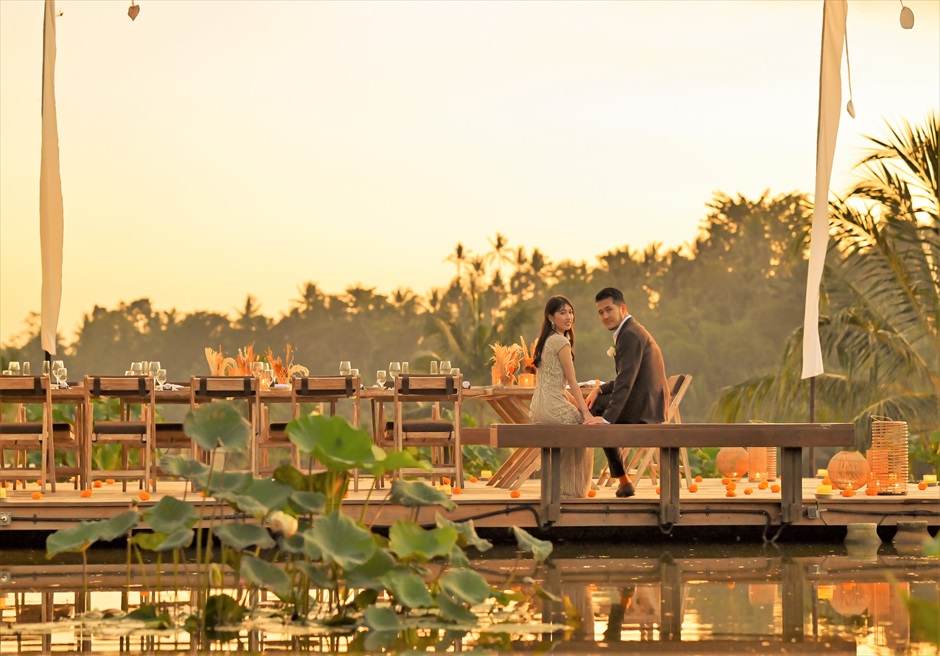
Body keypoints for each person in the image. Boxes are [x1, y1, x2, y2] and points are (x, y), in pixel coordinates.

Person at [586, 287, 669, 498]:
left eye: (608, 309)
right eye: (600, 312)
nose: (604, 316)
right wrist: (600, 388)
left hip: (645, 410)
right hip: (644, 402)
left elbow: (626, 382)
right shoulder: (629, 331)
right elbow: (628, 376)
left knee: (594, 409)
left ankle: (622, 480)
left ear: (622, 308)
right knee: (597, 403)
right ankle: (623, 480)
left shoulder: (630, 334)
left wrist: (606, 420)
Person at [529, 295, 604, 496]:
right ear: (551, 317)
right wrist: (586, 413)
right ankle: (575, 488)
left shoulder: (543, 342)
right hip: (553, 409)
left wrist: (580, 407)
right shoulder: (561, 342)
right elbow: (571, 381)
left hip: (537, 410)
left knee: (580, 417)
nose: (568, 316)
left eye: (570, 312)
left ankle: (559, 484)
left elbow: (557, 387)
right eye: (562, 313)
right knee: (587, 426)